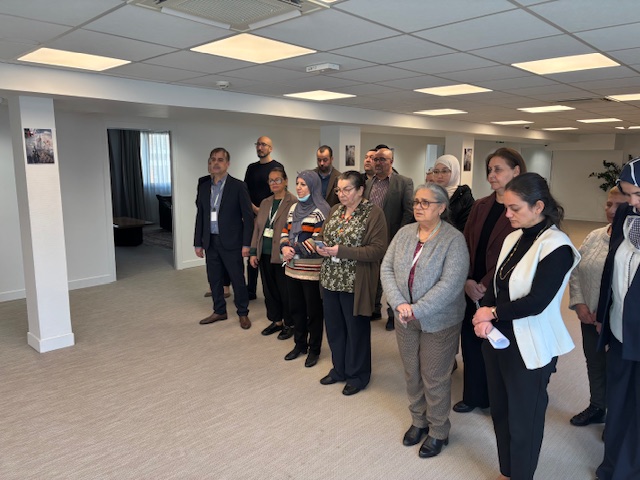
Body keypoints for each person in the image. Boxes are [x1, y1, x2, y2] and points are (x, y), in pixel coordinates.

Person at [472, 172, 580, 480]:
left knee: (524, 420)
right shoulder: (513, 238)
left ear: (538, 206)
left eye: (514, 208)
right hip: (499, 338)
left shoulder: (557, 246)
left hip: (530, 343)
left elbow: (536, 302)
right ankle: (508, 472)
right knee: (501, 412)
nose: (507, 214)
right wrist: (483, 315)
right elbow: (497, 284)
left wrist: (491, 313)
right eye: (506, 207)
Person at [380, 183, 469, 458]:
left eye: (425, 202)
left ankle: (439, 430)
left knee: (434, 376)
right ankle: (419, 420)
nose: (418, 207)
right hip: (405, 317)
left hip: (439, 320)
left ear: (441, 207)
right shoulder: (404, 233)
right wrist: (399, 303)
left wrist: (416, 309)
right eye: (416, 201)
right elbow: (387, 268)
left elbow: (451, 284)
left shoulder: (454, 240)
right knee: (412, 372)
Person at [453, 148, 527, 414]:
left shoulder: (522, 209)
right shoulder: (481, 205)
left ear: (516, 171)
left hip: (500, 289)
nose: (491, 175)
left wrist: (484, 283)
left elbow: (517, 253)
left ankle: (498, 399)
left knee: (497, 345)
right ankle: (474, 395)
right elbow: (465, 244)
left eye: (498, 169)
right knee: (471, 341)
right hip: (471, 284)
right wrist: (467, 280)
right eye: (489, 170)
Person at [315, 171, 388, 396]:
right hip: (331, 279)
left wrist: (342, 251)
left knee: (356, 330)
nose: (341, 194)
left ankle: (358, 375)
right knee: (335, 329)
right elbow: (324, 235)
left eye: (347, 189)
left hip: (355, 282)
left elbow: (377, 250)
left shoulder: (373, 213)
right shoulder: (335, 210)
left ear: (360, 190)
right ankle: (339, 369)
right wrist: (321, 246)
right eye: (339, 190)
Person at [595, 158, 640, 480]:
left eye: (638, 194)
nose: (632, 202)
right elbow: (611, 271)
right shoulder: (626, 215)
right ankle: (613, 465)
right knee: (619, 401)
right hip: (620, 327)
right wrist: (603, 314)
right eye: (628, 194)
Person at [568, 187, 625, 428]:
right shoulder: (594, 236)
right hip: (588, 316)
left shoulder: (632, 243)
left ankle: (617, 417)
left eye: (618, 205)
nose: (611, 210)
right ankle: (598, 406)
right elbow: (576, 271)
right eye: (609, 204)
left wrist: (606, 317)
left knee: (617, 369)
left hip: (616, 322)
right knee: (594, 363)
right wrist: (579, 303)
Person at [195, 148, 254, 330]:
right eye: (213, 159)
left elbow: (248, 217)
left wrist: (247, 244)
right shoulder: (204, 186)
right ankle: (219, 310)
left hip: (232, 241)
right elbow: (201, 215)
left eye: (220, 160)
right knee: (214, 279)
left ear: (227, 164)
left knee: (237, 279)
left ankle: (243, 313)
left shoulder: (238, 186)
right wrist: (198, 242)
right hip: (210, 240)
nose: (216, 163)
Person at [280, 170, 330, 368]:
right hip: (292, 268)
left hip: (311, 271)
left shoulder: (322, 210)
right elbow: (285, 230)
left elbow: (318, 240)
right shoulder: (294, 208)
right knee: (296, 310)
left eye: (303, 184)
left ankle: (314, 349)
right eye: (297, 184)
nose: (299, 188)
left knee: (313, 312)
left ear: (313, 187)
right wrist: (284, 247)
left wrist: (293, 249)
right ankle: (299, 345)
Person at [365, 147, 414, 330]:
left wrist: (399, 236)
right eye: (375, 159)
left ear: (391, 161)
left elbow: (409, 211)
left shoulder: (404, 182)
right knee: (374, 275)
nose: (378, 163)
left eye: (382, 159)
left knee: (392, 278)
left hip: (393, 237)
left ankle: (393, 315)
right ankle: (374, 308)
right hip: (371, 238)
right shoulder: (368, 183)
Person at [249, 167, 298, 340]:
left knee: (286, 292)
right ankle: (276, 321)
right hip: (265, 253)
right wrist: (253, 252)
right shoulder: (265, 203)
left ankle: (290, 323)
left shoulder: (293, 202)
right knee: (269, 291)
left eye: (278, 180)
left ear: (285, 181)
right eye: (271, 180)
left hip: (283, 254)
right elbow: (257, 229)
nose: (274, 183)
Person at [244, 136, 284, 300]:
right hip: (253, 214)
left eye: (263, 145)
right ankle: (251, 290)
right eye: (258, 144)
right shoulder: (251, 168)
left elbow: (279, 191)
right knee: (252, 252)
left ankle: (275, 291)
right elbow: (245, 191)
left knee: (268, 253)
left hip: (270, 216)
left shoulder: (277, 167)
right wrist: (254, 209)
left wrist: (263, 211)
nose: (260, 147)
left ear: (270, 148)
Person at [432, 154, 474, 232]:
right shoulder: (429, 194)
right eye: (436, 172)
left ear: (454, 172)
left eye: (444, 171)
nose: (439, 176)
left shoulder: (464, 197)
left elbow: (466, 227)